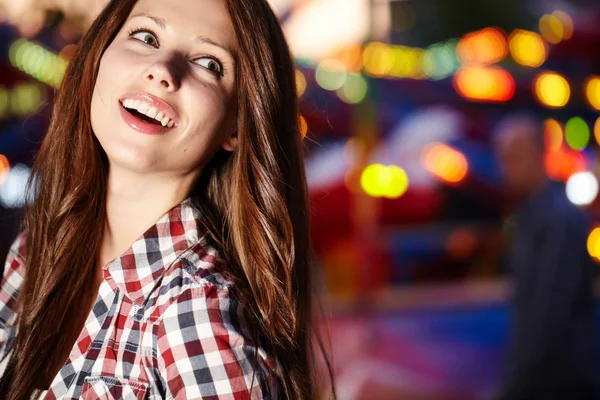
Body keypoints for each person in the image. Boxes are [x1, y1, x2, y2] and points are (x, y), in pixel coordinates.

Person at [0, 0, 334, 398]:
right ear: (97, 58)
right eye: (146, 37)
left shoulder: (197, 314)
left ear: (237, 127)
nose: (163, 71)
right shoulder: (34, 251)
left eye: (209, 63)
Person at [493, 113, 597, 399]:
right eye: (503, 157)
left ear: (540, 154)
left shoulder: (559, 220)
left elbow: (547, 317)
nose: (507, 167)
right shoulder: (529, 216)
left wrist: (510, 389)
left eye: (514, 157)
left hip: (563, 385)